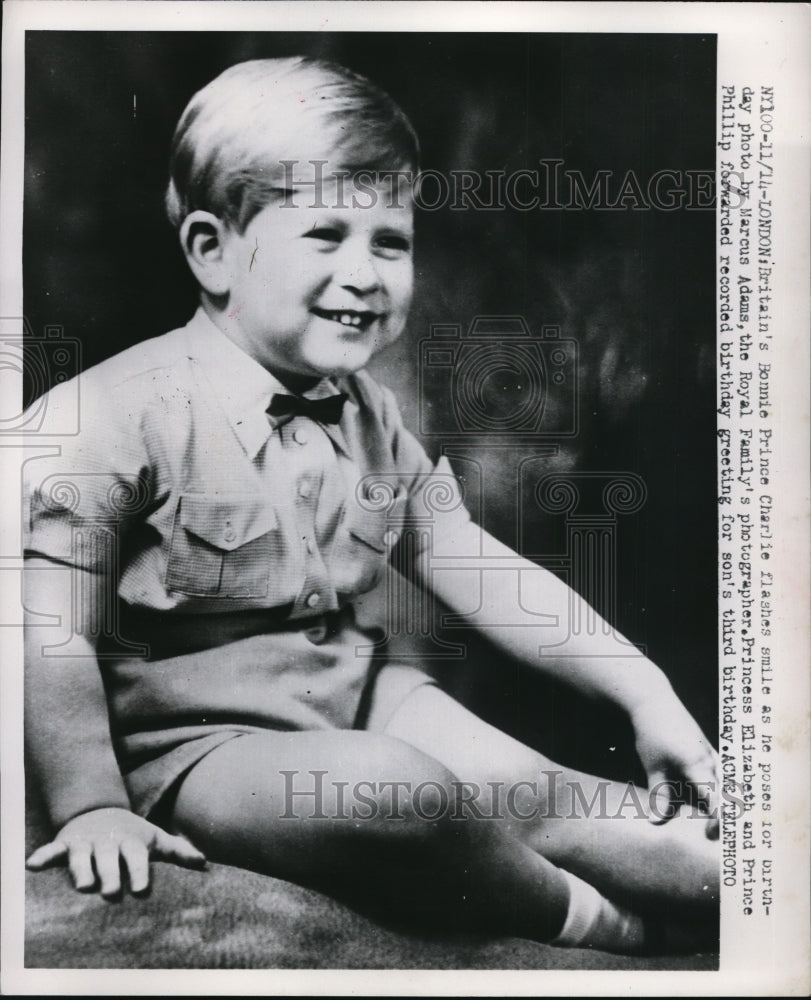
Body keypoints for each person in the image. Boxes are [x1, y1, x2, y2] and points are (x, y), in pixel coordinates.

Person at [24, 56, 718, 954]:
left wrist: (646, 694)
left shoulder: (367, 414)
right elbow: (51, 633)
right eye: (326, 234)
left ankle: (735, 885)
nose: (367, 273)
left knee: (566, 799)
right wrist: (93, 808)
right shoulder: (105, 416)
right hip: (191, 749)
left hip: (356, 697)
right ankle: (591, 919)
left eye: (389, 241)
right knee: (395, 792)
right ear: (212, 250)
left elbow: (471, 564)